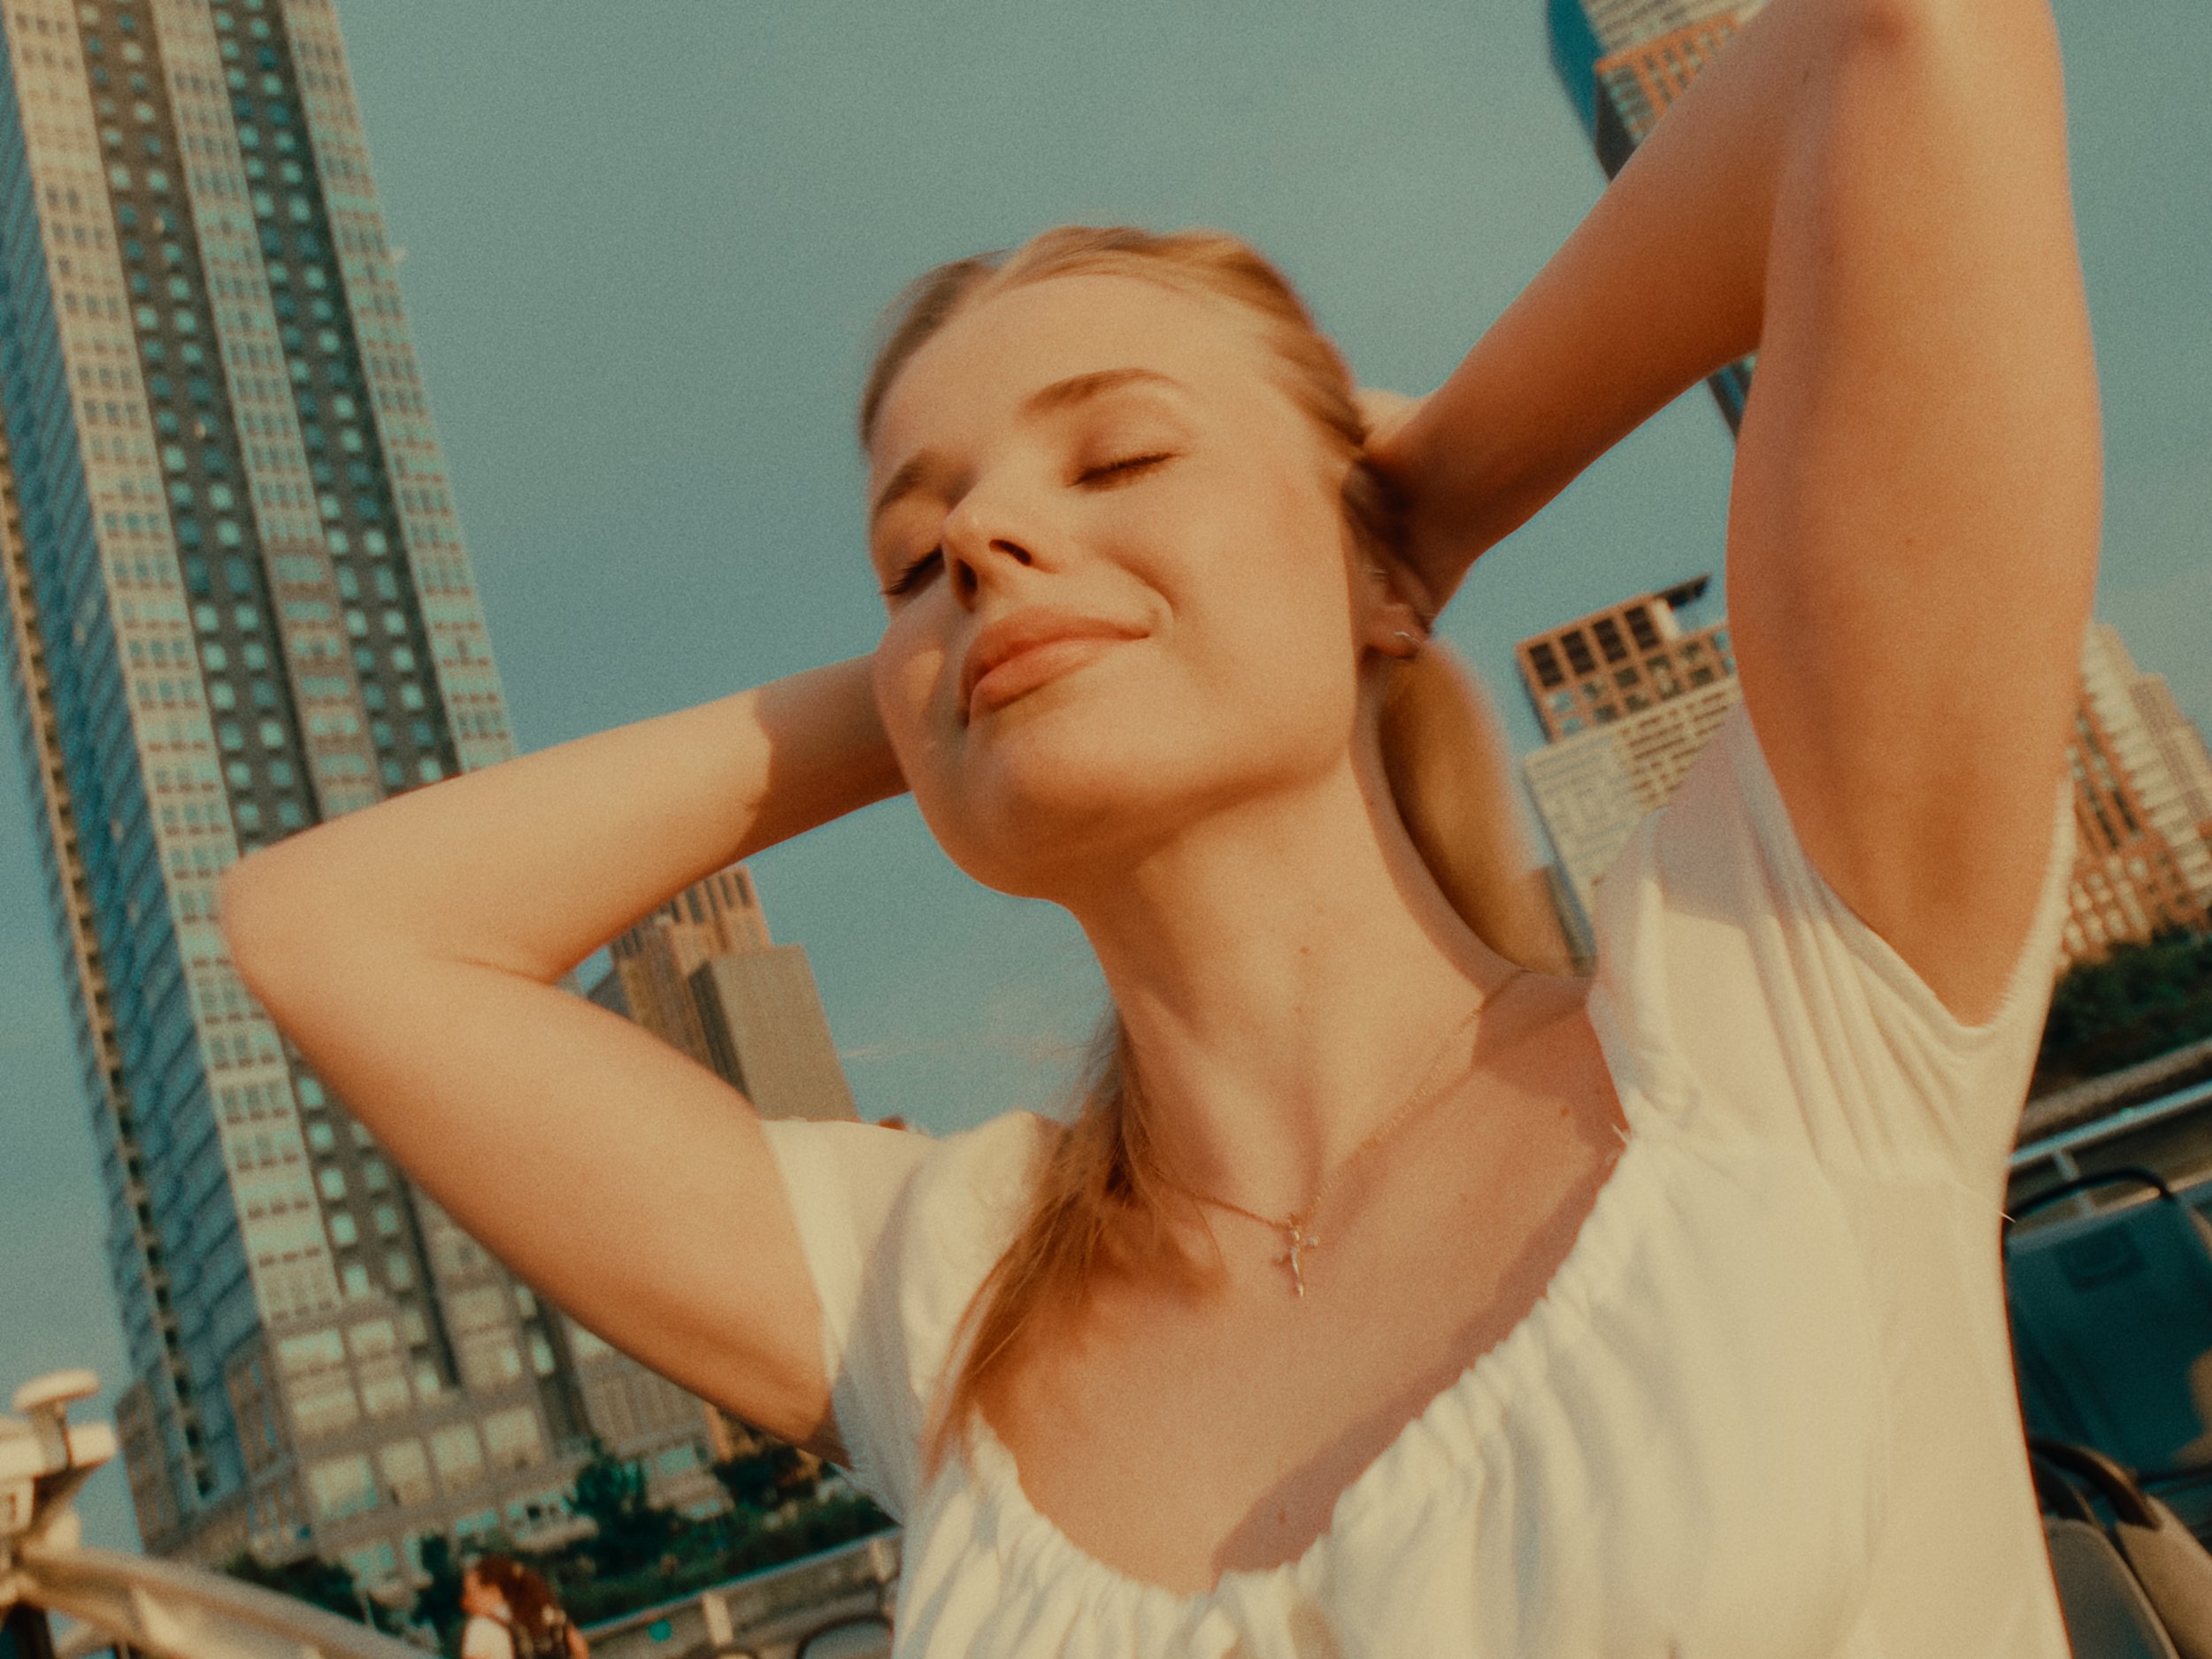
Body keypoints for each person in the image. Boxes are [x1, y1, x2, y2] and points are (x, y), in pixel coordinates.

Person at [220, 0, 2100, 1648]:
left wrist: (1418, 508)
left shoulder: (1780, 999)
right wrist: (965, 667)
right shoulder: (940, 1293)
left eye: (1116, 456)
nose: (969, 540)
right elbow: (327, 929)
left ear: (1369, 558)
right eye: (904, 551)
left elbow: (1901, 36)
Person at [457, 1556, 587, 1659]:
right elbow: (580, 1650)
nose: (464, 1602)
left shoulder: (481, 1627)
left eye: (470, 1593)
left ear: (493, 1591)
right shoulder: (551, 1617)